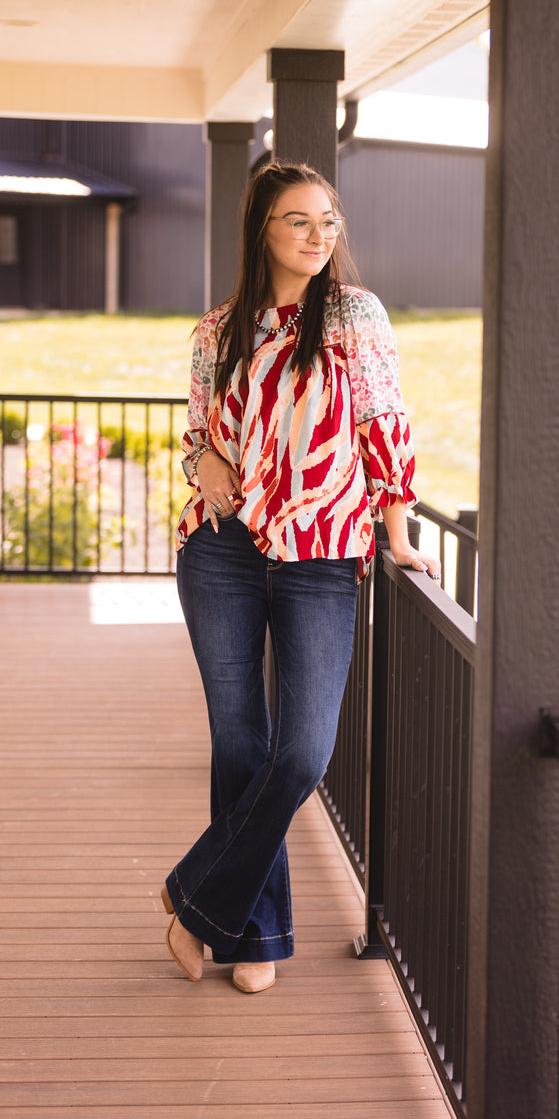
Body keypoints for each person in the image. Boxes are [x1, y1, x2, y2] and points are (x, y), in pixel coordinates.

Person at [161, 159, 440, 993]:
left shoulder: (356, 317)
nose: (320, 237)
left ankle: (190, 896)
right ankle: (254, 939)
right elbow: (197, 430)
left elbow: (384, 422)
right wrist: (204, 459)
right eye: (299, 221)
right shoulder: (219, 330)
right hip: (224, 551)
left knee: (304, 753)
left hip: (323, 554)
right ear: (262, 230)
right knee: (242, 744)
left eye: (329, 221)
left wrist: (397, 532)